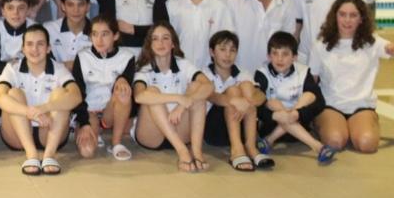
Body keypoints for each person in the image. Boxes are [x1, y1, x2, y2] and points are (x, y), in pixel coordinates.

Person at [309, 0, 394, 159]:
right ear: (335, 16)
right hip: (331, 104)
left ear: (361, 18)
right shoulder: (321, 45)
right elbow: (312, 81)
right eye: (342, 14)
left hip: (361, 105)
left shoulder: (373, 42)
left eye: (353, 15)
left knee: (367, 144)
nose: (347, 20)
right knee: (335, 141)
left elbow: (389, 48)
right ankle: (320, 123)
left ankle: (367, 121)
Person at [0, 24, 81, 176]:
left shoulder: (59, 68)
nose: (34, 49)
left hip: (47, 131)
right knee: (13, 93)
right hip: (16, 134)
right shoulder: (12, 67)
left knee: (62, 94)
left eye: (40, 44)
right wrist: (29, 112)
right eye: (29, 44)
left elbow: (76, 96)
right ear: (22, 48)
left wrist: (44, 108)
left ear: (48, 48)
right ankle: (31, 155)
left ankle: (49, 155)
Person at [132, 22, 212, 172]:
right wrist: (178, 98)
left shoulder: (184, 64)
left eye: (165, 38)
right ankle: (182, 152)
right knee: (152, 92)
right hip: (151, 135)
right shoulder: (145, 69)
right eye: (155, 39)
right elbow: (139, 97)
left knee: (197, 88)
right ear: (150, 45)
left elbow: (209, 86)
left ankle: (197, 151)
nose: (160, 43)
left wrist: (182, 105)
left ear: (173, 43)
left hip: (179, 126)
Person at [251, 31, 326, 159]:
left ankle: (269, 140)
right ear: (268, 56)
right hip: (272, 123)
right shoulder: (261, 73)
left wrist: (296, 113)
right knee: (272, 102)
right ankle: (317, 146)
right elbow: (257, 107)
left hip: (300, 121)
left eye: (285, 54)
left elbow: (319, 102)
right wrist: (277, 114)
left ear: (294, 57)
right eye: (275, 53)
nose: (279, 59)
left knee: (309, 95)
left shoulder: (303, 71)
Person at [72, 15, 136, 161]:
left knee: (123, 91)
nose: (99, 40)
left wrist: (122, 79)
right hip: (89, 111)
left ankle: (116, 143)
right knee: (87, 151)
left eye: (105, 34)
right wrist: (85, 123)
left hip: (111, 111)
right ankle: (95, 131)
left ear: (116, 35)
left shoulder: (127, 57)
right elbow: (78, 93)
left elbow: (127, 83)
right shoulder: (82, 57)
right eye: (94, 34)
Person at [203, 30, 268, 172]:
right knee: (233, 91)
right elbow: (211, 96)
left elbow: (261, 96)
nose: (228, 55)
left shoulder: (243, 73)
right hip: (215, 131)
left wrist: (248, 101)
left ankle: (250, 146)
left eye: (232, 50)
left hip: (244, 127)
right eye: (222, 49)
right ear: (212, 52)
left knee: (246, 86)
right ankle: (236, 150)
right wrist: (234, 101)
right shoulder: (204, 74)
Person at [222, 0, 297, 74]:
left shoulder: (287, 2)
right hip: (240, 72)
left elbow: (288, 41)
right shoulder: (233, 1)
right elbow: (227, 42)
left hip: (274, 74)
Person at [45, 0, 94, 68]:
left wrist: (68, 65)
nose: (76, 10)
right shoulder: (48, 30)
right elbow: (44, 65)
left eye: (81, 4)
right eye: (70, 5)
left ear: (88, 6)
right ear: (63, 6)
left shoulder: (97, 32)